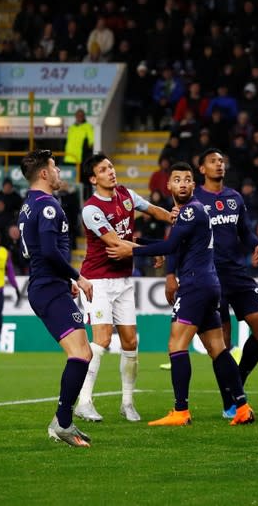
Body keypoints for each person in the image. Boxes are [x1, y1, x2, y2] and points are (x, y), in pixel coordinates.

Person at [107, 162, 254, 427]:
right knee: (217, 349)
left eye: (187, 179)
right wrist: (140, 243)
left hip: (195, 286)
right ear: (169, 185)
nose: (183, 183)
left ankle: (180, 411)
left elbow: (171, 245)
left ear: (193, 185)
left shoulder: (189, 212)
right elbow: (174, 246)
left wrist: (133, 250)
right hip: (209, 285)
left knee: (176, 346)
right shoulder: (190, 213)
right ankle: (242, 407)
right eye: (177, 180)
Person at [170, 148, 258, 420]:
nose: (219, 165)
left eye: (221, 161)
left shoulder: (234, 198)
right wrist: (171, 272)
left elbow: (245, 233)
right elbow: (177, 239)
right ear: (201, 169)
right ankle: (232, 403)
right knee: (221, 343)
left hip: (236, 274)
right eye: (213, 161)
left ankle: (237, 378)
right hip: (209, 275)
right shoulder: (193, 200)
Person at [73, 153, 172, 423]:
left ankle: (127, 403)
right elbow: (116, 244)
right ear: (93, 179)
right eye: (103, 170)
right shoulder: (91, 209)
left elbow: (152, 210)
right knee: (102, 339)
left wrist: (176, 218)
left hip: (124, 281)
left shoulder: (125, 194)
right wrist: (155, 250)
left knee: (130, 342)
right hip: (97, 281)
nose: (111, 172)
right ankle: (84, 401)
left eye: (111, 167)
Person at [17, 149, 94, 447]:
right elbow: (48, 251)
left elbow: (35, 250)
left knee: (83, 352)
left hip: (49, 284)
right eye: (55, 167)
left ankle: (63, 421)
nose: (60, 172)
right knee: (80, 354)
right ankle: (62, 423)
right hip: (48, 286)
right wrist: (78, 276)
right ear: (45, 174)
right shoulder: (48, 205)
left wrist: (65, 280)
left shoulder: (29, 205)